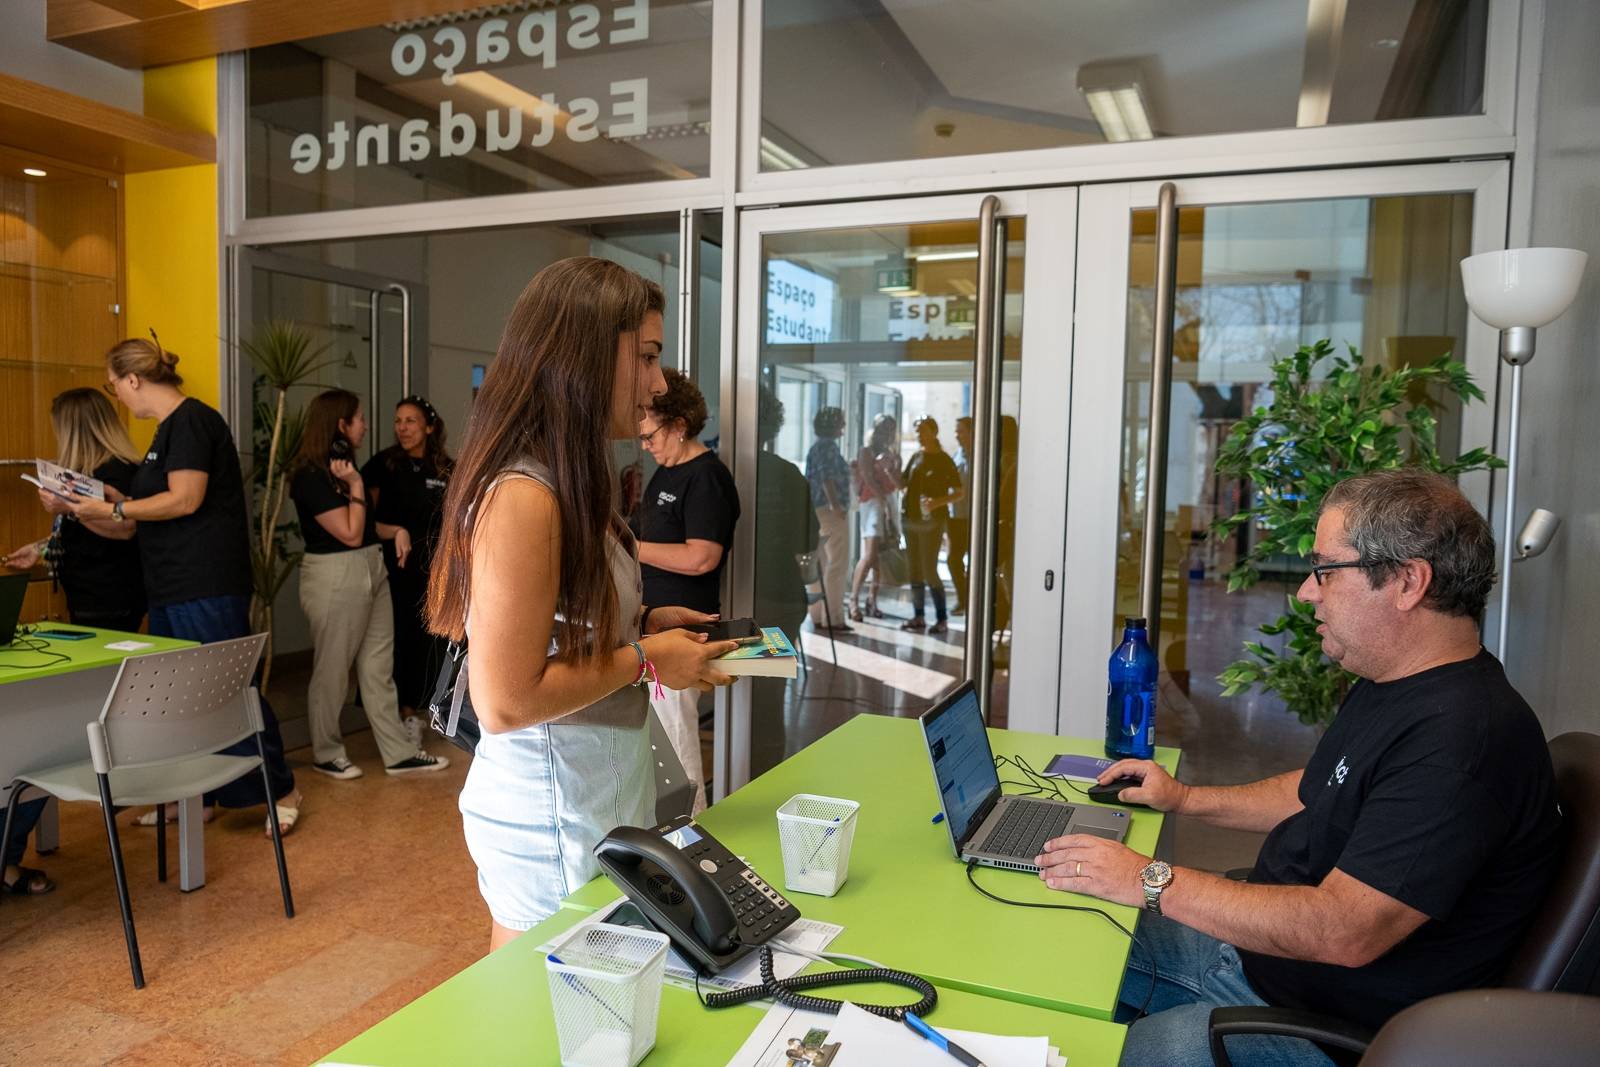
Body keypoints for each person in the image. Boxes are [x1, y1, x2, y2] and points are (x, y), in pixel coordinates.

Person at [1035, 469, 1563, 1067]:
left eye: (1326, 571)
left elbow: (1343, 930)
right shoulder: (1397, 679)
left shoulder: (1463, 742)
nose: (1308, 592)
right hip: (1259, 959)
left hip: (1316, 1026)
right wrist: (1185, 798)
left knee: (1089, 1052)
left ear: (1409, 581)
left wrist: (1148, 879)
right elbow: (1321, 791)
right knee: (1055, 930)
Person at [428, 257, 738, 948]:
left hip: (593, 788)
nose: (659, 383)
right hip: (552, 810)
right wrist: (645, 657)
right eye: (649, 357)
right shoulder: (525, 496)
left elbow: (561, 627)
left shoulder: (569, 478)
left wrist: (646, 623)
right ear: (585, 357)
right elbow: (504, 699)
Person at [62, 334, 302, 837]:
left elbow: (185, 499)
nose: (118, 397)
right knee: (183, 700)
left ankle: (280, 788)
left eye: (115, 386)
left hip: (206, 584)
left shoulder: (192, 420)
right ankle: (199, 796)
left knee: (227, 689)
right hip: (171, 585)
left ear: (134, 379)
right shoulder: (165, 432)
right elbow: (140, 516)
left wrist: (116, 506)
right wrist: (101, 502)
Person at [288, 389, 447, 782]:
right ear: (340, 425)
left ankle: (399, 753)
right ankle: (327, 752)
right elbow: (348, 531)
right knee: (333, 669)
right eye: (359, 419)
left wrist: (395, 530)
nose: (365, 426)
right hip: (336, 574)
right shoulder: (311, 476)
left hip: (371, 567)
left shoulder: (341, 471)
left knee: (378, 667)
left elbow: (366, 527)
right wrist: (357, 484)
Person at [632, 368, 740, 814]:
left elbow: (701, 558)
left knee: (676, 740)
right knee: (654, 738)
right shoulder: (664, 472)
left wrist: (632, 548)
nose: (645, 444)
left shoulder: (706, 477)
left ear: (678, 425)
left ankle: (690, 833)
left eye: (651, 434)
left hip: (684, 629)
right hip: (650, 623)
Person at [5, 388, 146, 633]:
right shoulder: (85, 473)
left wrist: (67, 507)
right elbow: (80, 530)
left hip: (109, 596)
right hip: (86, 593)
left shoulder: (116, 473)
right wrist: (39, 548)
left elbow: (124, 528)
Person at [361, 395, 453, 734]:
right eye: (398, 421)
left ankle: (430, 708)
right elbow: (362, 520)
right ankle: (402, 713)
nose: (403, 427)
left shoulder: (445, 468)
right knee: (397, 640)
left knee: (431, 640)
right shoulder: (383, 464)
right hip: (393, 569)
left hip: (434, 571)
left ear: (429, 427)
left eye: (411, 421)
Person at [751, 385, 820, 771]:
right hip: (784, 599)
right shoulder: (789, 474)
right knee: (769, 699)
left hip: (755, 600)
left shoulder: (724, 471)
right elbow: (808, 538)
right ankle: (765, 773)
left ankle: (748, 777)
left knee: (744, 698)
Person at [899, 416, 962, 635]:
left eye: (923, 430)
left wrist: (937, 503)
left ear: (934, 432)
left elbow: (959, 492)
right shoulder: (916, 456)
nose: (919, 435)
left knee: (929, 569)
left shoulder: (944, 460)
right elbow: (904, 484)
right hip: (910, 519)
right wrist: (889, 473)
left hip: (932, 522)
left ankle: (942, 618)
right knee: (914, 569)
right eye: (917, 431)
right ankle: (918, 616)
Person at [848, 414, 901, 622]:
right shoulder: (866, 452)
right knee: (869, 555)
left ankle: (872, 600)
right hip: (872, 504)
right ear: (875, 430)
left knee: (881, 554)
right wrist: (884, 504)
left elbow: (897, 482)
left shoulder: (892, 454)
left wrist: (891, 470)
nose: (886, 433)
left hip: (889, 502)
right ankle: (853, 599)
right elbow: (868, 479)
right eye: (883, 428)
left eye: (890, 429)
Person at [804, 406, 852, 631]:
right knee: (838, 565)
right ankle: (834, 618)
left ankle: (817, 615)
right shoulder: (829, 447)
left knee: (820, 564)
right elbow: (827, 477)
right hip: (831, 512)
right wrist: (836, 506)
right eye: (841, 422)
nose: (843, 426)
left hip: (815, 511)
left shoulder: (816, 447)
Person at [947, 416, 973, 616]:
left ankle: (973, 600)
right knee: (954, 560)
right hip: (956, 518)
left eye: (961, 431)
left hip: (974, 519)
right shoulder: (957, 456)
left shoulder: (982, 457)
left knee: (975, 561)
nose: (957, 435)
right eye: (956, 431)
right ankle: (963, 599)